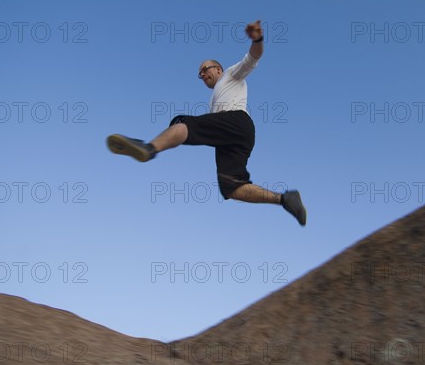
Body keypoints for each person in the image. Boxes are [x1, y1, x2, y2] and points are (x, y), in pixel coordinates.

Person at [107, 20, 307, 226]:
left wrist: (257, 38)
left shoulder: (231, 74)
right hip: (235, 136)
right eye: (200, 74)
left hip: (237, 121)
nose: (202, 75)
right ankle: (284, 199)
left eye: (205, 69)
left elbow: (254, 57)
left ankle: (149, 148)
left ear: (218, 69)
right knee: (231, 187)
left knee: (183, 122)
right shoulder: (215, 98)